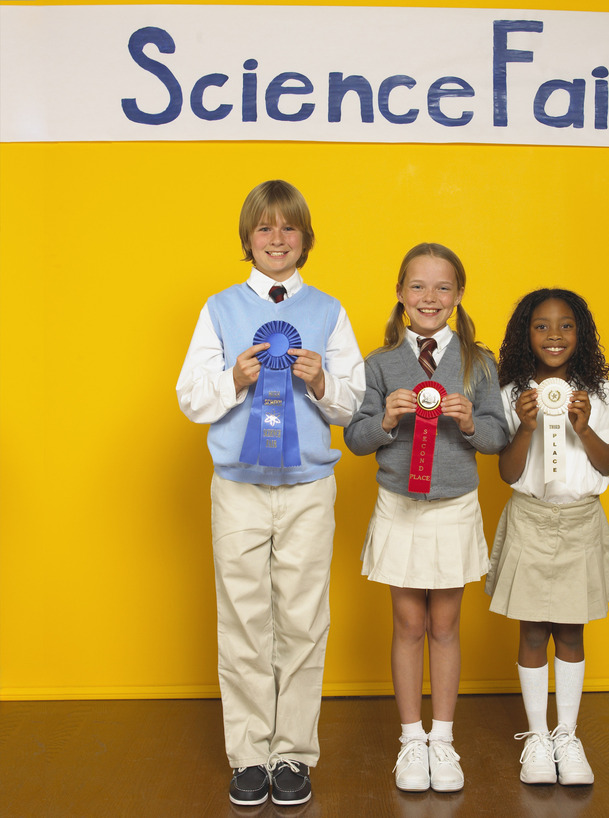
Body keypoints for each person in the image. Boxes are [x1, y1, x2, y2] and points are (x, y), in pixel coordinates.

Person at [176, 180, 365, 807]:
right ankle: (249, 754)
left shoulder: (330, 311)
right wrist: (233, 377)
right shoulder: (219, 309)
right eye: (265, 229)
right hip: (237, 487)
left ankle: (293, 756)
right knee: (244, 619)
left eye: (289, 229)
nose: (277, 239)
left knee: (304, 618)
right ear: (247, 241)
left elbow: (354, 402)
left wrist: (321, 381)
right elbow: (189, 397)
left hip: (310, 486)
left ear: (305, 240)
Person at [344, 243, 508, 793]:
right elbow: (356, 440)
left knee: (445, 625)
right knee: (409, 624)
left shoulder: (480, 362)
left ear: (458, 296)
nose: (429, 298)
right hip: (399, 505)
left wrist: (468, 425)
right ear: (400, 293)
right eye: (418, 286)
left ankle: (443, 739)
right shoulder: (380, 363)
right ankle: (411, 739)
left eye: (442, 288)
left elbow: (499, 437)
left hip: (455, 506)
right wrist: (387, 418)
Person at [486, 288, 609, 786]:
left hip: (579, 523)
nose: (554, 335)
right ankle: (536, 738)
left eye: (566, 325)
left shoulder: (601, 393)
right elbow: (508, 473)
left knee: (571, 630)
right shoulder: (511, 394)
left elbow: (608, 462)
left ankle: (567, 737)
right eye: (542, 326)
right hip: (530, 518)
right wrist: (526, 428)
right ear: (525, 334)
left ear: (582, 333)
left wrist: (586, 427)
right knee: (531, 630)